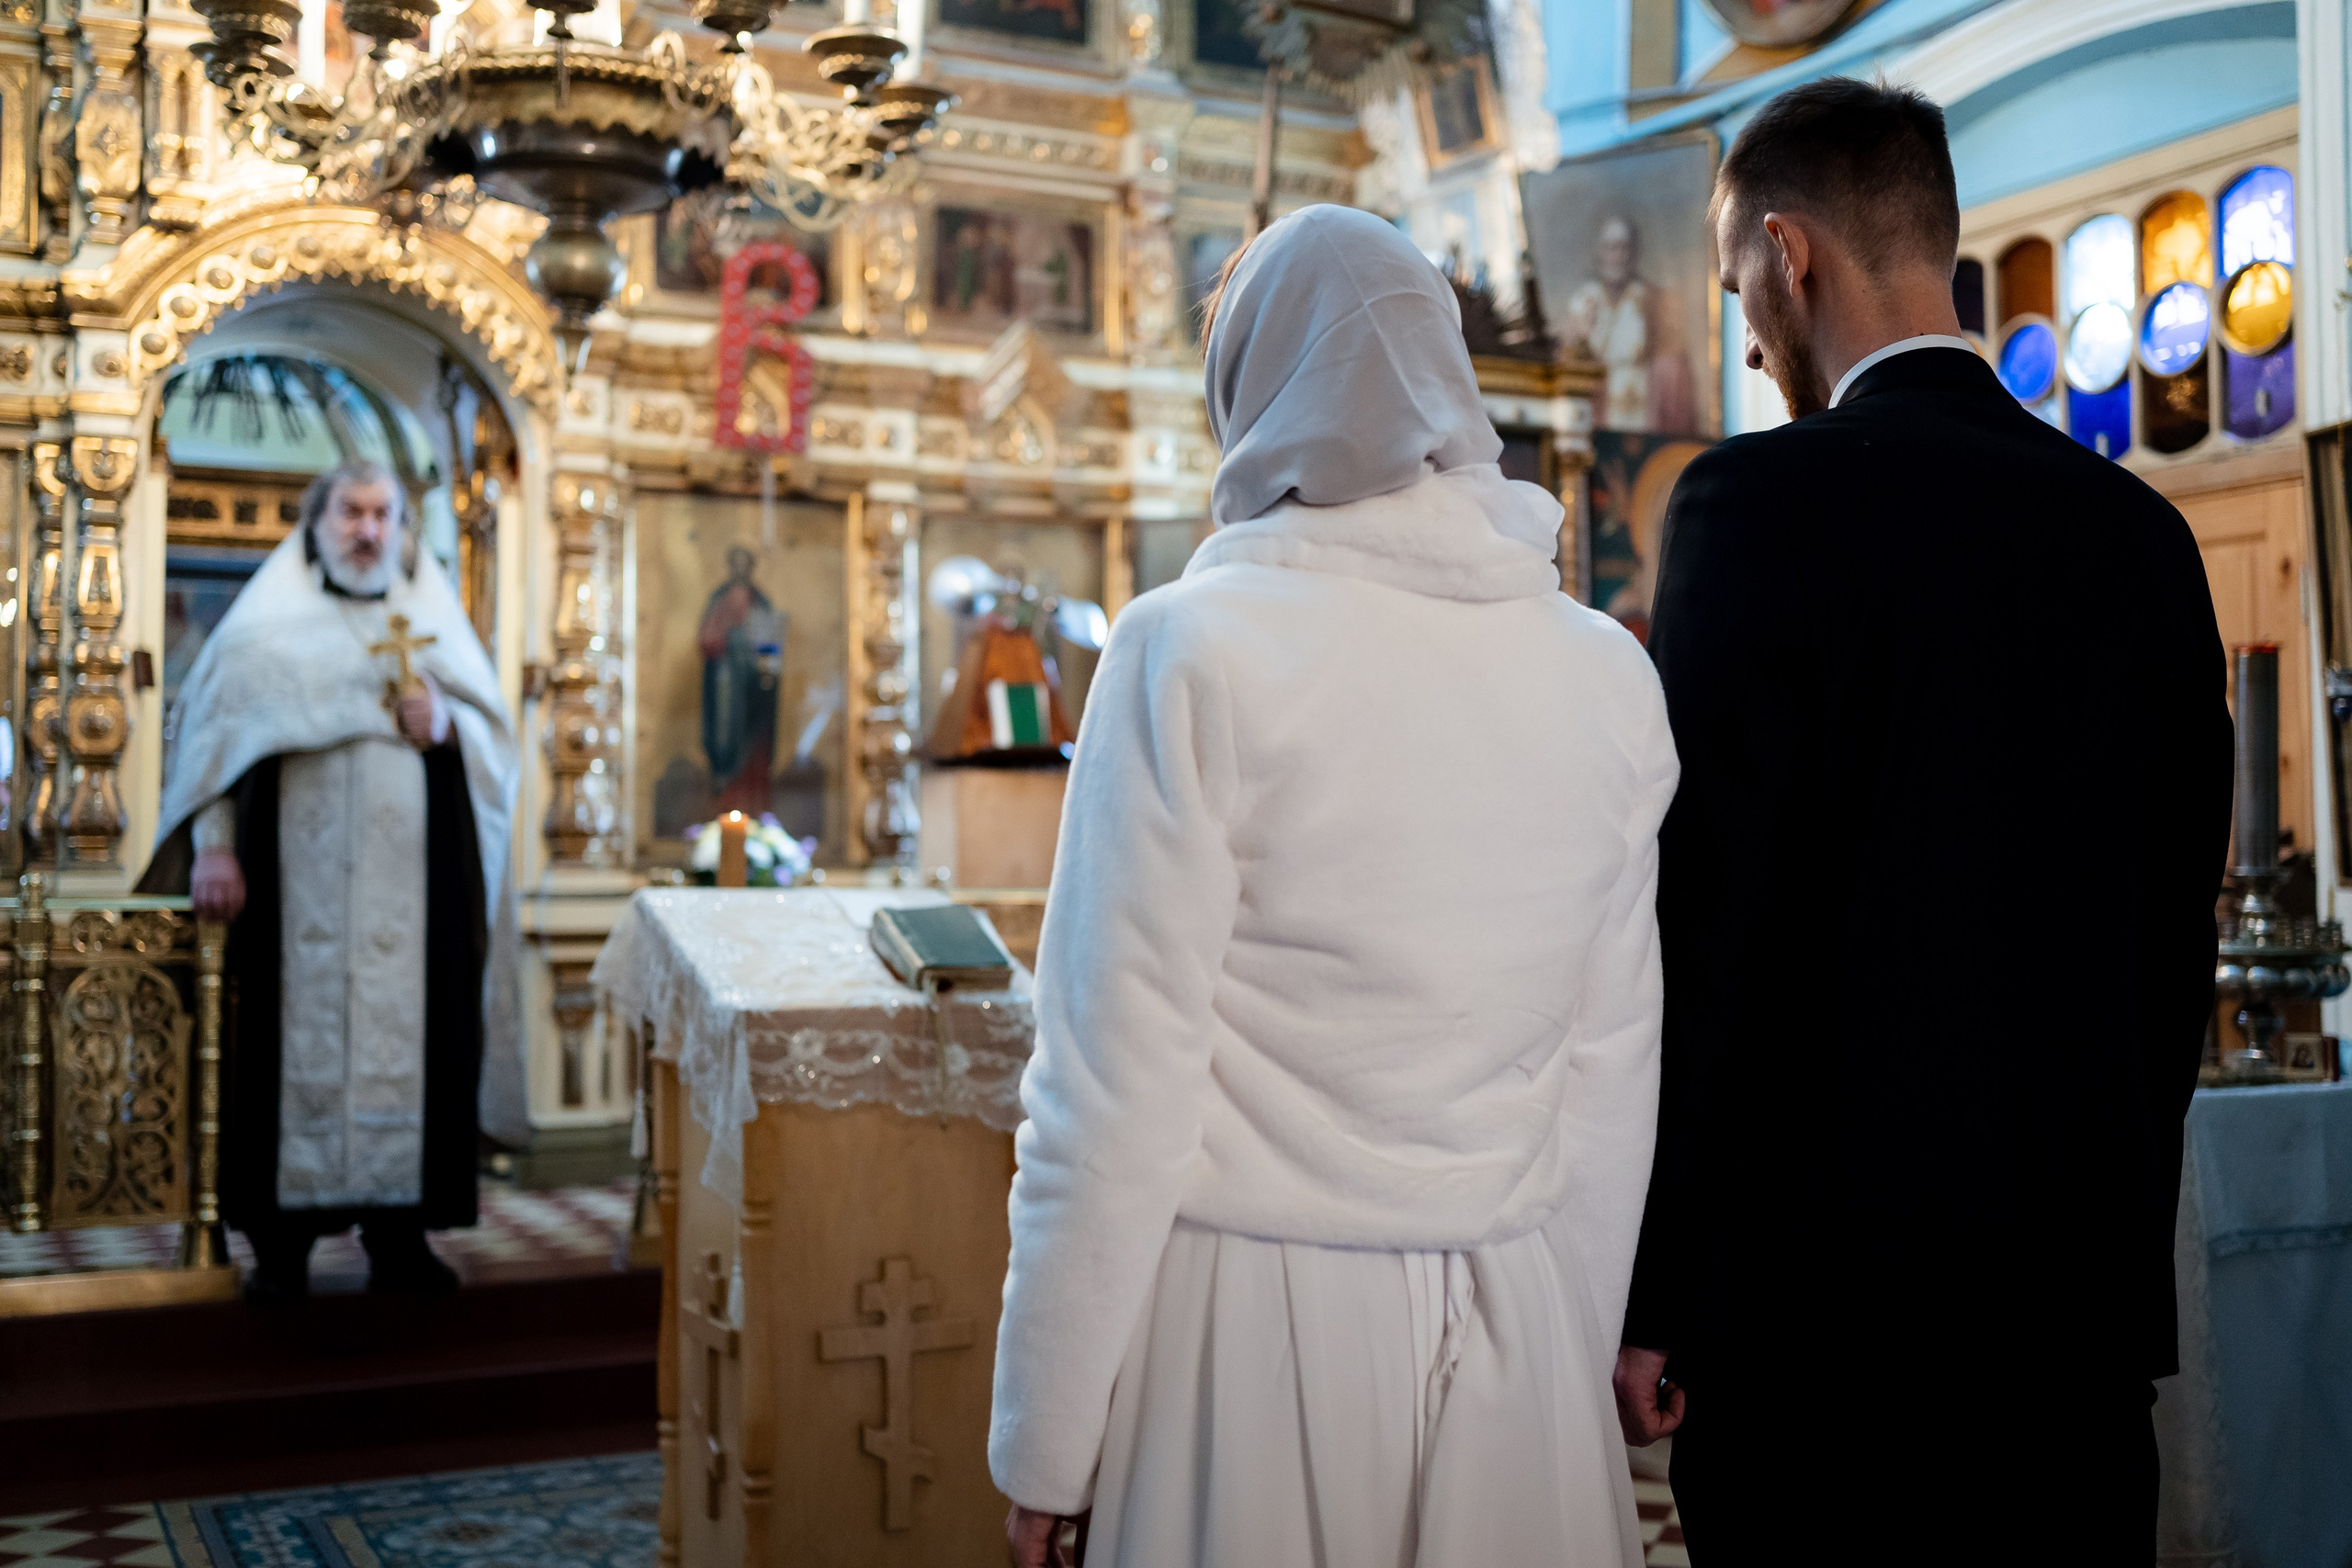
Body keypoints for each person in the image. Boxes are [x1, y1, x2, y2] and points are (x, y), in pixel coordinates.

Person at [989, 204, 1679, 1567]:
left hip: (1246, 1342)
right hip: (1521, 1324)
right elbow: (1611, 1076)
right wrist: (1577, 1342)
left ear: (1254, 385)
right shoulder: (1604, 671)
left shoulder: (1187, 651)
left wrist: (1047, 1441)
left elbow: (1112, 1090)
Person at [1611, 79, 2233, 1562]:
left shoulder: (1748, 508)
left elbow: (1710, 932)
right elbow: (2170, 955)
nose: (1748, 338)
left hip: (1819, 1341)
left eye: (1737, 291)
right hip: (2071, 1341)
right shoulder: (2140, 538)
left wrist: (1655, 1294)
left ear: (1789, 252)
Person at [142, 457, 526, 1302]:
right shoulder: (263, 633)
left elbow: (496, 747)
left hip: (413, 895)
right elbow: (210, 750)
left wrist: (451, 722)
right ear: (315, 525)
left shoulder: (432, 626)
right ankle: (281, 1247)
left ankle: (401, 1237)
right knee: (285, 1044)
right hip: (291, 894)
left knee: (417, 1039)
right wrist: (214, 847)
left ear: (401, 527)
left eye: (382, 513)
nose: (367, 529)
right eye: (350, 512)